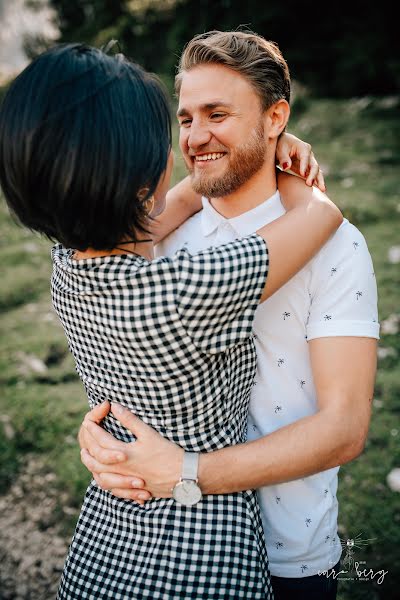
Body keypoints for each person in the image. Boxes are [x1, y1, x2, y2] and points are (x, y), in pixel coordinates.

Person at [0, 42, 342, 599]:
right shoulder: (188, 289)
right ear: (143, 182)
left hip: (109, 544)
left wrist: (261, 139)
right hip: (203, 551)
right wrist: (278, 149)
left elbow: (169, 205)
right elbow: (319, 213)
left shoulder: (66, 264)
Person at [78, 30, 379, 600]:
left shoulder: (339, 248)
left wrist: (188, 472)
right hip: (173, 547)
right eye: (186, 118)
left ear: (275, 119)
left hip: (290, 551)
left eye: (217, 113)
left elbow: (345, 427)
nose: (195, 136)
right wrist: (99, 432)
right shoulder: (156, 240)